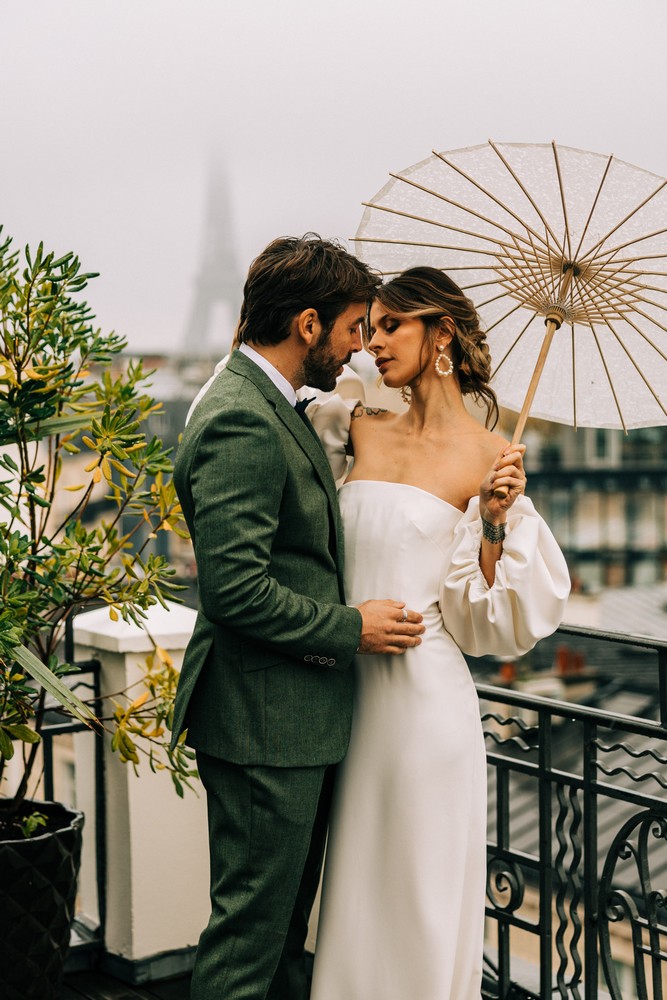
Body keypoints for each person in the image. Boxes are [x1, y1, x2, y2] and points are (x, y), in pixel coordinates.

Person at [170, 235, 425, 1000]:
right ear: (307, 325)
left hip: (284, 720)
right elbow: (235, 590)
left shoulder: (268, 406)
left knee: (280, 937)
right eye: (352, 329)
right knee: (249, 943)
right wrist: (353, 627)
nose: (357, 351)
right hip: (262, 725)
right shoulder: (240, 419)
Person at [309, 267, 571, 1000]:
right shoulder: (354, 423)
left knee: (417, 901)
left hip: (425, 709)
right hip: (343, 695)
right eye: (370, 326)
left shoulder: (493, 459)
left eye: (393, 325)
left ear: (440, 333)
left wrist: (491, 524)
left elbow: (481, 620)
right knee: (353, 894)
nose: (373, 341)